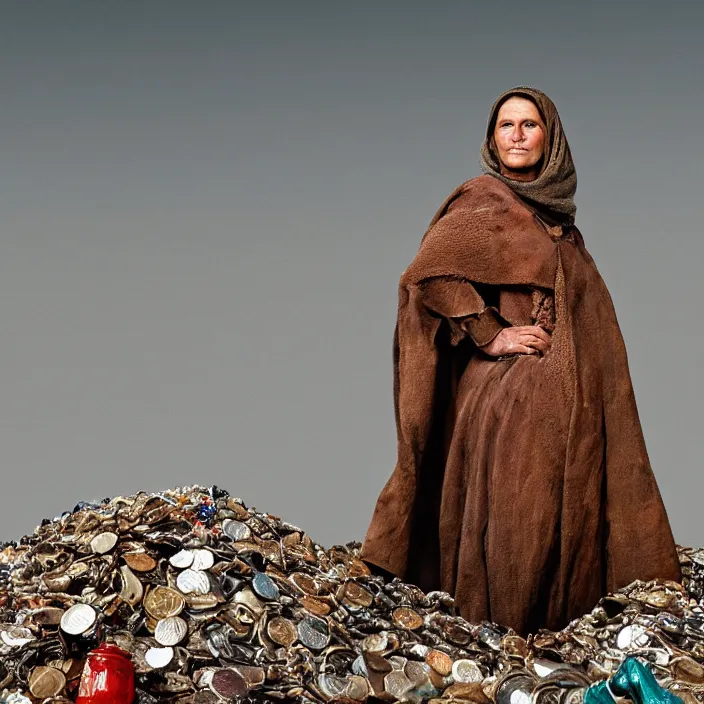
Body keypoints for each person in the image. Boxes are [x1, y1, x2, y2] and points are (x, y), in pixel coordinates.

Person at [360, 86, 681, 637]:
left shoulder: (557, 222)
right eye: (505, 125)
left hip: (568, 401)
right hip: (509, 401)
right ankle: (501, 651)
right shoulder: (484, 201)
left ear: (550, 139)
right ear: (491, 138)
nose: (515, 134)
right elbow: (428, 275)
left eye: (528, 124)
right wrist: (493, 335)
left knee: (564, 524)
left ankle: (546, 654)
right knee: (516, 523)